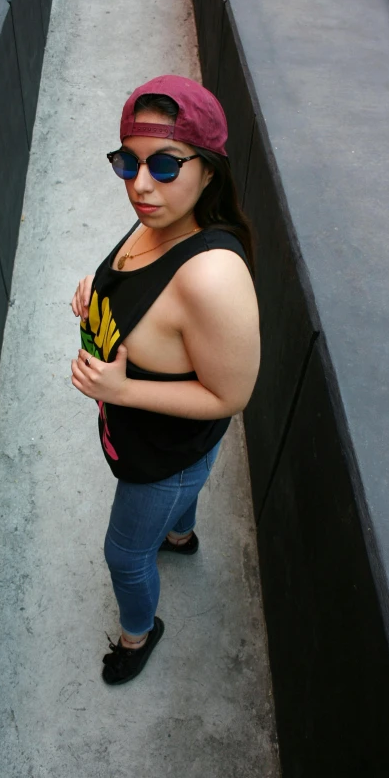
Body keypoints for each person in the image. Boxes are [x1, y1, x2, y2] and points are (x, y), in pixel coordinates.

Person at [70, 75, 260, 685]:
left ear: (209, 169)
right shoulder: (158, 218)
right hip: (150, 441)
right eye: (128, 162)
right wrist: (96, 288)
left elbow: (231, 396)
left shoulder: (212, 277)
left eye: (165, 165)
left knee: (125, 555)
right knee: (182, 501)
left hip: (162, 457)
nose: (141, 185)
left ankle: (139, 631)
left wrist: (119, 391)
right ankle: (179, 535)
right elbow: (140, 283)